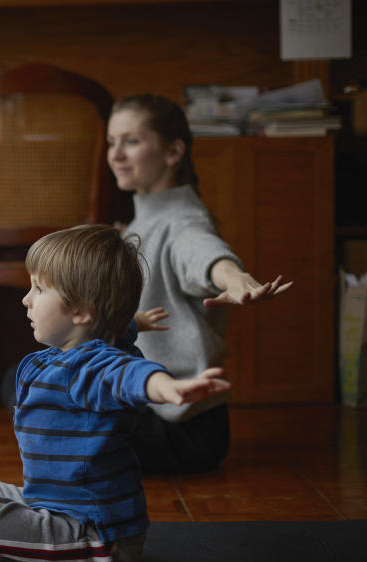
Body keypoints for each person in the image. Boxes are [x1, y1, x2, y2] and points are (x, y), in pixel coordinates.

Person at [0, 224, 230, 562]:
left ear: (81, 313)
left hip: (100, 541)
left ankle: (24, 561)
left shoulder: (91, 367)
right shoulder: (82, 345)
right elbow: (113, 333)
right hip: (56, 508)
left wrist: (168, 388)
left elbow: (128, 373)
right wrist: (133, 322)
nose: (26, 299)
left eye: (39, 289)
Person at [107, 94, 290, 474]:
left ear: (173, 152)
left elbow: (204, 253)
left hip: (183, 429)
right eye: (112, 142)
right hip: (153, 409)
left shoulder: (184, 222)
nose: (116, 154)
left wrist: (235, 278)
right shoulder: (146, 219)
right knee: (26, 381)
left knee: (41, 398)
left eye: (132, 141)